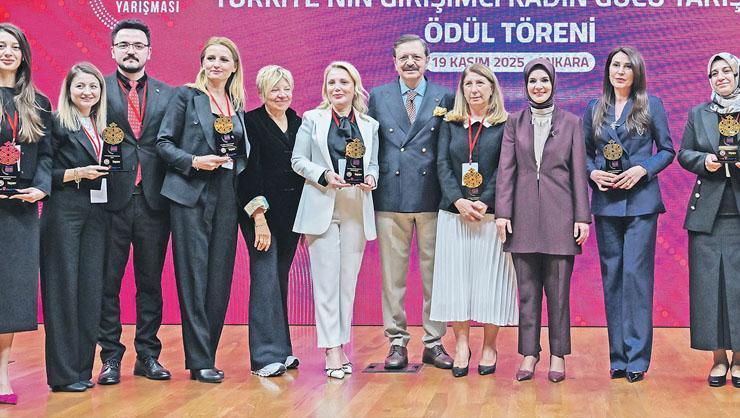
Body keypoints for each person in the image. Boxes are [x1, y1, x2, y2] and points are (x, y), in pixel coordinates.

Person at [156, 37, 249, 383]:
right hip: (190, 194)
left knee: (219, 279)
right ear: (202, 63)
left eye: (223, 59)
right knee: (194, 277)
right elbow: (163, 143)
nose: (216, 64)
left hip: (227, 195)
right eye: (210, 58)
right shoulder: (186, 96)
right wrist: (194, 161)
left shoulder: (236, 104)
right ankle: (198, 360)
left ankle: (207, 353)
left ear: (234, 66)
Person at [495, 58, 590, 383]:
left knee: (558, 292)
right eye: (533, 81)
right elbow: (506, 170)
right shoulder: (514, 122)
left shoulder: (572, 123)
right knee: (527, 291)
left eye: (544, 80)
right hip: (521, 217)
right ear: (525, 86)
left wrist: (582, 217)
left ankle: (558, 354)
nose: (539, 86)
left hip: (561, 217)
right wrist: (502, 213)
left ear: (553, 83)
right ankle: (529, 353)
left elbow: (578, 173)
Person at [584, 46, 675, 383]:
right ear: (608, 70)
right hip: (606, 204)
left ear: (636, 72)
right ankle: (618, 358)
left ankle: (637, 358)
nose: (620, 71)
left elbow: (667, 150)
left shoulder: (651, 105)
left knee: (635, 278)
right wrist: (592, 172)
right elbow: (584, 154)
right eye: (615, 65)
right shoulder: (594, 108)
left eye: (626, 66)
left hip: (640, 204)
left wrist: (643, 170)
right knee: (612, 278)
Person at [367, 34, 454, 370]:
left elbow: (450, 147)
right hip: (391, 196)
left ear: (427, 60)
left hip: (432, 197)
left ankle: (434, 342)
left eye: (416, 57)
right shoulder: (379, 96)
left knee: (435, 276)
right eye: (403, 57)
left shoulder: (444, 95)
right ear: (394, 62)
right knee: (393, 277)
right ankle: (397, 342)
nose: (410, 63)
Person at [97, 18, 175, 386]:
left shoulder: (168, 94)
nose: (131, 51)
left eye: (138, 45)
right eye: (124, 45)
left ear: (149, 52)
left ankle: (148, 355)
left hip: (153, 201)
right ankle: (110, 357)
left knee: (150, 284)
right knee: (107, 283)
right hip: (109, 200)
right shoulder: (96, 89)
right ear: (113, 50)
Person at [291, 61, 379, 379]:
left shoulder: (369, 124)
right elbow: (298, 160)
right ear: (325, 88)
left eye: (343, 82)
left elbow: (375, 165)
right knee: (326, 285)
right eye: (331, 83)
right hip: (322, 209)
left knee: (347, 287)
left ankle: (341, 344)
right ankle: (331, 349)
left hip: (355, 208)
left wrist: (371, 178)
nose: (337, 88)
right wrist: (324, 174)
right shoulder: (312, 119)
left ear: (355, 87)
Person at [430, 63, 517, 378]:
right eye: (469, 84)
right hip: (454, 214)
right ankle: (462, 345)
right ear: (461, 90)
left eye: (481, 83)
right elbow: (442, 164)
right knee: (457, 282)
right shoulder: (450, 122)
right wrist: (459, 200)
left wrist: (484, 200)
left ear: (492, 88)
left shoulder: (506, 124)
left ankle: (490, 346)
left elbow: (507, 167)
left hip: (490, 216)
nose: (474, 89)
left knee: (490, 281)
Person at [41, 62, 111, 392]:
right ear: (68, 90)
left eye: (93, 86)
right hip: (63, 213)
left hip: (97, 214)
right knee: (63, 293)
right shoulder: (56, 123)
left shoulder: (104, 125)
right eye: (80, 86)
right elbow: (42, 173)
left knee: (90, 292)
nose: (87, 92)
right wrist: (76, 174)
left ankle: (82, 369)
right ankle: (63, 375)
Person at [678, 52, 740, 388]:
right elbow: (683, 153)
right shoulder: (698, 113)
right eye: (714, 73)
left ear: (737, 74)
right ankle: (718, 358)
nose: (720, 77)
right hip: (707, 216)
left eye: (726, 70)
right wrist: (704, 161)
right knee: (709, 288)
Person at [237, 65, 303, 377]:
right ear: (262, 92)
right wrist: (258, 218)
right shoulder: (250, 122)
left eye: (286, 88)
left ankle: (282, 350)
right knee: (264, 280)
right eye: (274, 89)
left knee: (279, 279)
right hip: (259, 215)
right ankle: (263, 357)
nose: (281, 94)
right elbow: (249, 173)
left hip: (291, 216)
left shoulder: (298, 122)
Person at [0, 23, 52, 405]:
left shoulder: (39, 102)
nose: (7, 52)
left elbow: (47, 155)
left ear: (24, 55)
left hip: (20, 210)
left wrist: (42, 187)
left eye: (14, 47)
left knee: (13, 296)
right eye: (0, 46)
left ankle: (2, 373)